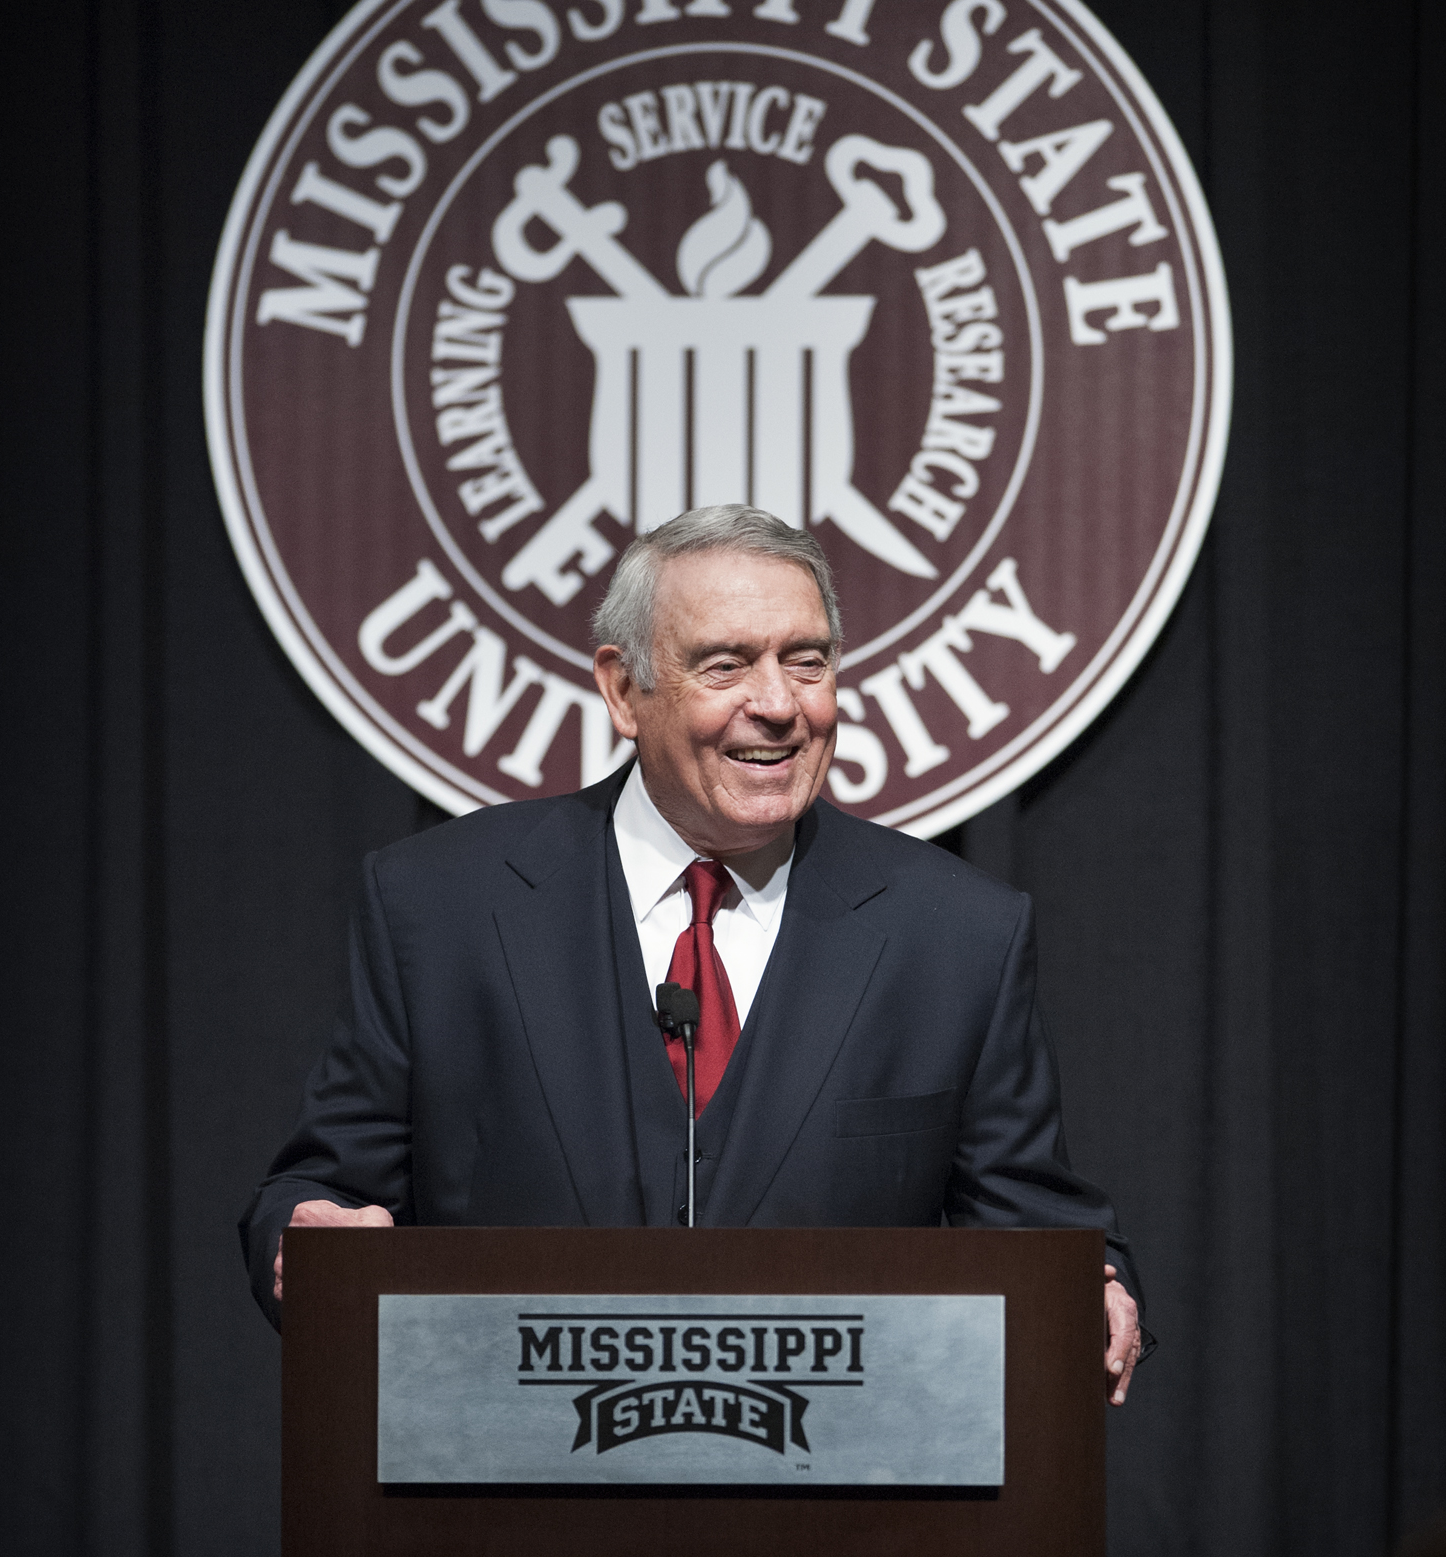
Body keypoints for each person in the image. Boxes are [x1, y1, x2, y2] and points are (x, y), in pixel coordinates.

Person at [241, 505, 1145, 1404]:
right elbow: (327, 1184)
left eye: (808, 661)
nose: (781, 705)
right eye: (726, 665)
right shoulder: (439, 906)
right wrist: (303, 1236)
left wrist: (1090, 1286)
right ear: (623, 689)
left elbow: (1035, 1224)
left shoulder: (956, 934)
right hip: (504, 1502)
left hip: (844, 1513)